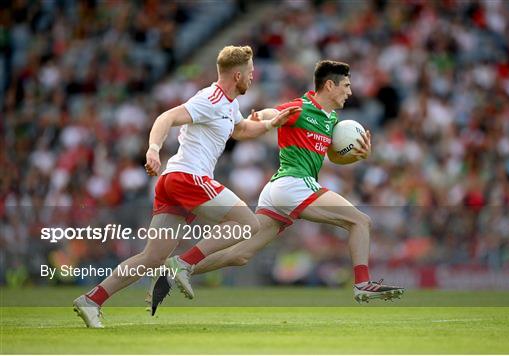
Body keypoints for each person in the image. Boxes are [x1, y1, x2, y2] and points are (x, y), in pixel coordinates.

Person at [73, 45, 300, 328]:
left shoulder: (230, 104)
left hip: (174, 182)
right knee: (247, 223)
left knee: (152, 257)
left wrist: (271, 125)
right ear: (238, 75)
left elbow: (240, 130)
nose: (254, 77)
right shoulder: (210, 97)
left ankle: (92, 300)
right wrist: (153, 149)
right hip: (188, 177)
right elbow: (166, 117)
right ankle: (184, 263)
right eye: (251, 73)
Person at [151, 60, 404, 313]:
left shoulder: (331, 120)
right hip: (294, 185)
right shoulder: (301, 107)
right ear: (330, 85)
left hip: (279, 191)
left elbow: (334, 155)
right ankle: (362, 285)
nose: (350, 92)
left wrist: (359, 154)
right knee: (360, 221)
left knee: (239, 255)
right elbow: (274, 113)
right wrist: (261, 116)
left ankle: (174, 270)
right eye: (346, 86)